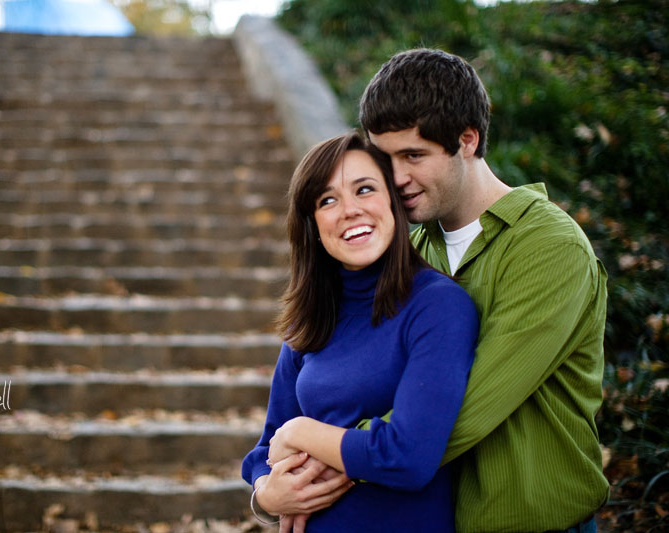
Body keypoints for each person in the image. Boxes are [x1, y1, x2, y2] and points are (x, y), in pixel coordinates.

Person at [353, 48, 609, 532]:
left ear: (466, 140)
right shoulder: (408, 250)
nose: (396, 178)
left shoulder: (549, 248)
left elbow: (459, 411)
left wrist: (330, 460)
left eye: (413, 155)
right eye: (384, 159)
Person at [241, 131, 478, 532]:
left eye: (364, 189)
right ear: (313, 224)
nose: (349, 210)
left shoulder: (438, 306)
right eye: (327, 200)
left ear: (392, 200)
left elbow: (408, 456)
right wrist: (266, 495)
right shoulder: (311, 317)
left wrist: (301, 431)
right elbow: (265, 450)